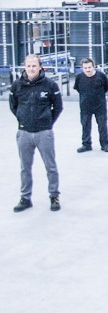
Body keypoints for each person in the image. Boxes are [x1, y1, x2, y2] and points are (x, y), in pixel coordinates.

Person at [9, 54, 63, 213]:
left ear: (40, 67)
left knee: (50, 166)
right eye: (28, 66)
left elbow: (58, 107)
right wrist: (22, 119)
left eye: (34, 66)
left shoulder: (50, 85)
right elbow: (13, 106)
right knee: (24, 168)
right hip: (24, 133)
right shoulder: (17, 86)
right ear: (25, 67)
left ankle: (54, 196)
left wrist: (47, 122)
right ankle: (25, 198)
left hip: (44, 132)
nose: (31, 69)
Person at [73, 58, 108, 153]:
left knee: (102, 125)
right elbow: (78, 88)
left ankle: (104, 144)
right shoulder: (79, 77)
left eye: (89, 67)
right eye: (85, 68)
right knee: (85, 125)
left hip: (100, 106)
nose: (88, 70)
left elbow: (106, 87)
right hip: (85, 106)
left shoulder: (101, 76)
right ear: (82, 68)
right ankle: (86, 144)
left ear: (93, 66)